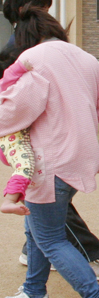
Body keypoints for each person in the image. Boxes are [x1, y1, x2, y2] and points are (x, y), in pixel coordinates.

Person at [0, 7, 99, 298]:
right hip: (80, 159)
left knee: (50, 238)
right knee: (36, 229)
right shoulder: (85, 58)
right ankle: (33, 294)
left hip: (49, 163)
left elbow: (11, 113)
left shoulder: (34, 60)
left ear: (25, 37)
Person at [0, 59, 34, 216]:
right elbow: (8, 77)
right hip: (11, 137)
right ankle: (9, 201)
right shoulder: (4, 87)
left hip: (11, 137)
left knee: (27, 166)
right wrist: (21, 67)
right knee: (24, 166)